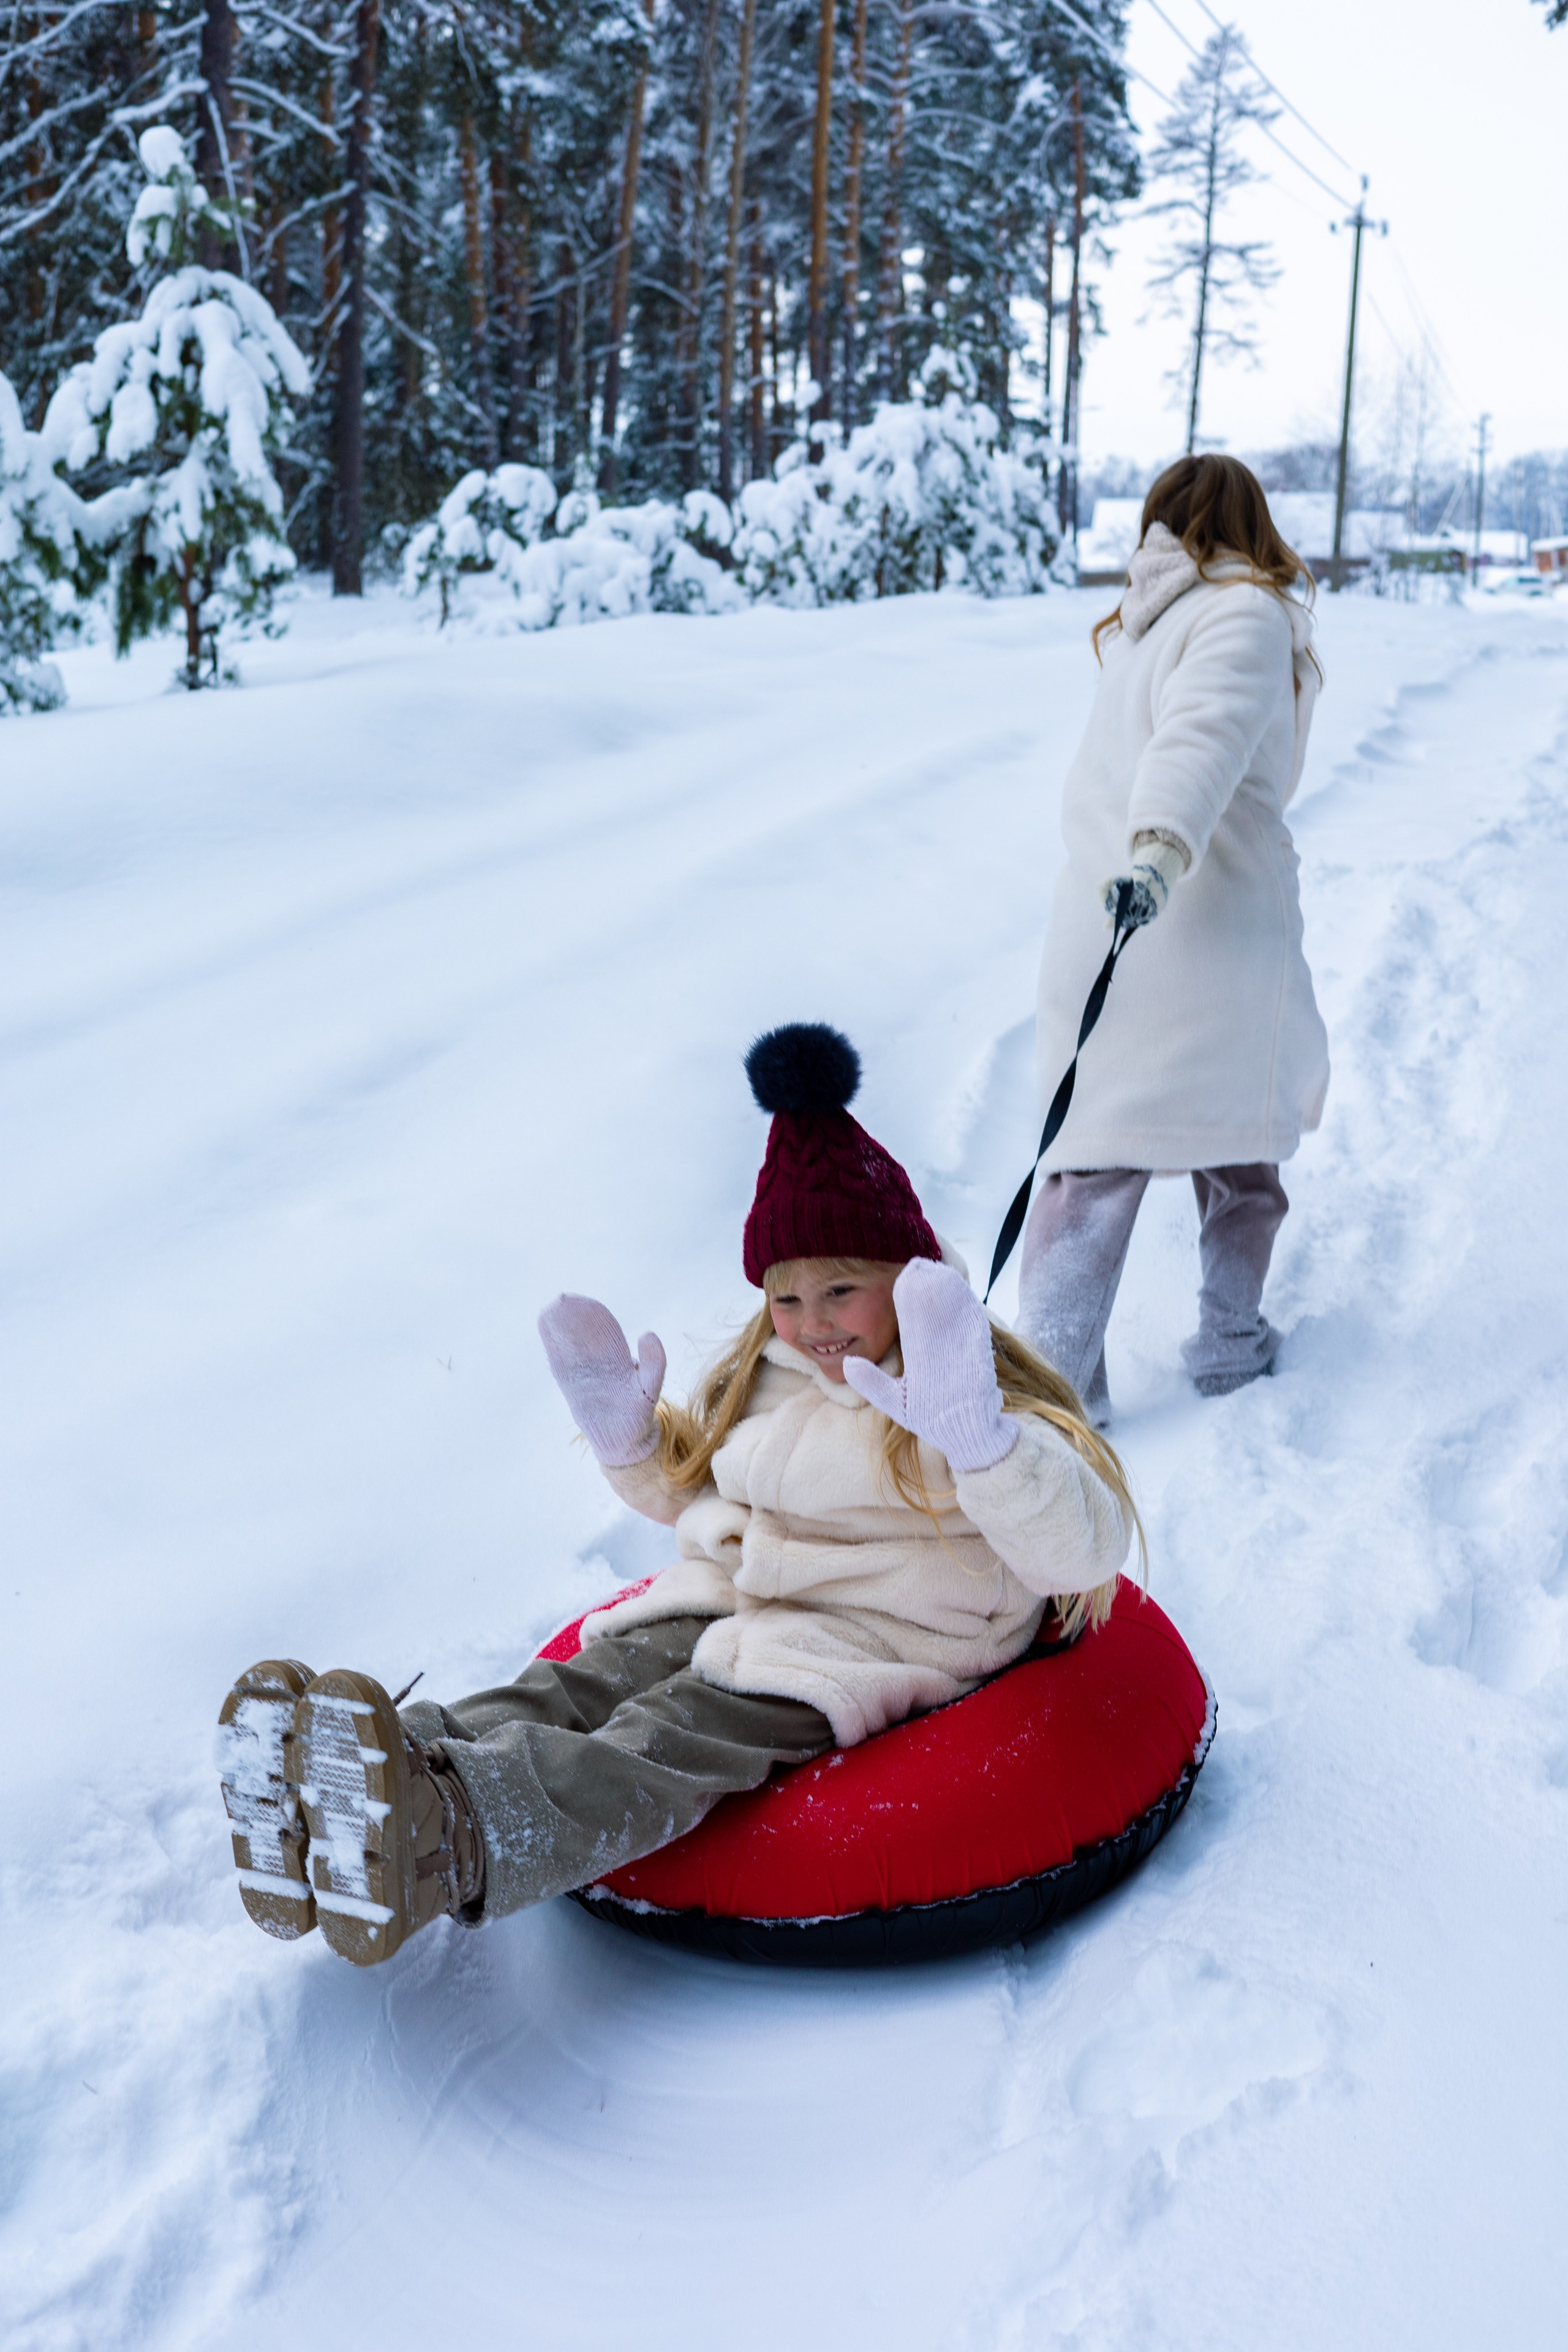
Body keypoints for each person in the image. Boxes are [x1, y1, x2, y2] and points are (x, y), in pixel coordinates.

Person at [217, 1022, 1139, 1967]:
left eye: (841, 1291)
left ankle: (449, 1837)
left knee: (676, 1733)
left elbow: (1080, 1553)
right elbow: (705, 1500)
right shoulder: (775, 1367)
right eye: (788, 1297)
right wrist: (632, 1441)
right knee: (579, 1686)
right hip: (745, 1598)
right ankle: (363, 1781)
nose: (813, 1325)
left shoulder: (958, 1384)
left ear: (905, 1276)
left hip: (882, 1637)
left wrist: (980, 1443)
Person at [1018, 454, 1330, 1420]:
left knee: (1090, 1165)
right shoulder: (1242, 610)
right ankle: (1229, 1340)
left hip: (1111, 920)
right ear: (1252, 522)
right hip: (1197, 924)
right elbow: (1195, 744)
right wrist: (1158, 853)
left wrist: (1143, 862)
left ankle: (1059, 1385)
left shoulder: (1147, 628)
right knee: (1239, 1156)